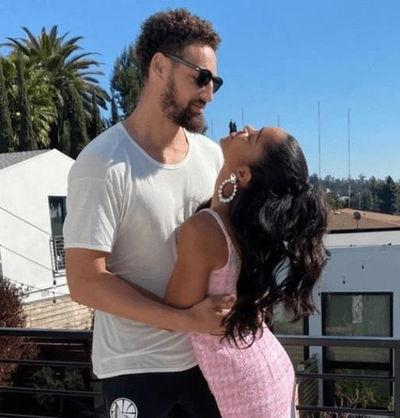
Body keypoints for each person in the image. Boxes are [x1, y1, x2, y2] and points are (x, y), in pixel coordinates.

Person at [63, 9, 230, 418]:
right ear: (159, 66)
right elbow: (85, 282)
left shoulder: (212, 157)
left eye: (215, 82)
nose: (209, 94)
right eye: (200, 77)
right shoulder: (102, 163)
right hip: (133, 369)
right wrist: (186, 320)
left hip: (205, 360)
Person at [163, 125, 329, 417]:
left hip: (247, 388)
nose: (245, 129)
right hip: (266, 371)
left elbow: (172, 314)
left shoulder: (205, 229)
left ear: (244, 174)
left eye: (253, 137)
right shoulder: (244, 228)